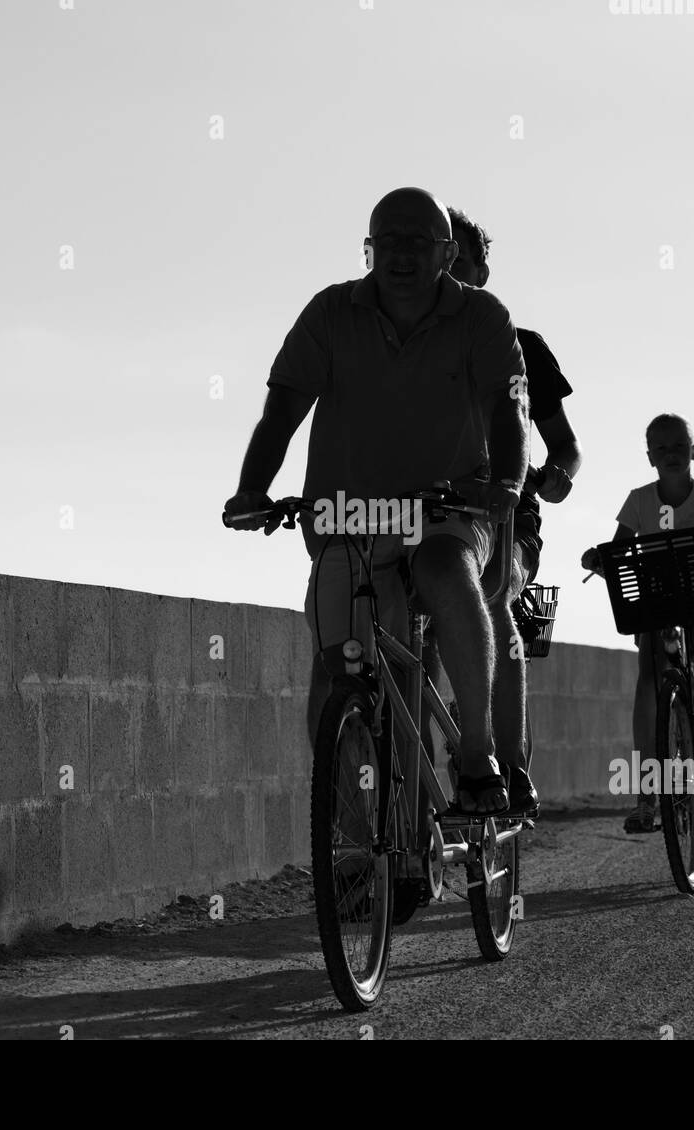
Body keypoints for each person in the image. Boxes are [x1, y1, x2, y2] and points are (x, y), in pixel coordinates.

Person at [223, 187, 530, 816]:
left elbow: (508, 409)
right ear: (369, 249)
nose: (400, 254)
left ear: (446, 254)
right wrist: (251, 488)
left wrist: (506, 484)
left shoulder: (482, 317)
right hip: (351, 517)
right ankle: (358, 835)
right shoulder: (331, 313)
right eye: (386, 240)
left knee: (445, 571)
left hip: (448, 512)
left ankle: (477, 757)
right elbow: (281, 409)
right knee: (343, 669)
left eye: (418, 241)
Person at [432, 205, 582, 817]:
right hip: (427, 512)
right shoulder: (409, 346)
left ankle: (507, 767)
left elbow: (565, 446)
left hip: (504, 520)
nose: (448, 270)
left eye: (459, 259)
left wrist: (555, 478)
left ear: (483, 269)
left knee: (491, 602)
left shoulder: (523, 347)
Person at [581, 414, 694, 833]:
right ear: (649, 457)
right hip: (659, 603)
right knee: (648, 682)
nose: (671, 454)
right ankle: (648, 794)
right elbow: (617, 548)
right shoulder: (638, 501)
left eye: (679, 446)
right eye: (661, 448)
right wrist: (598, 558)